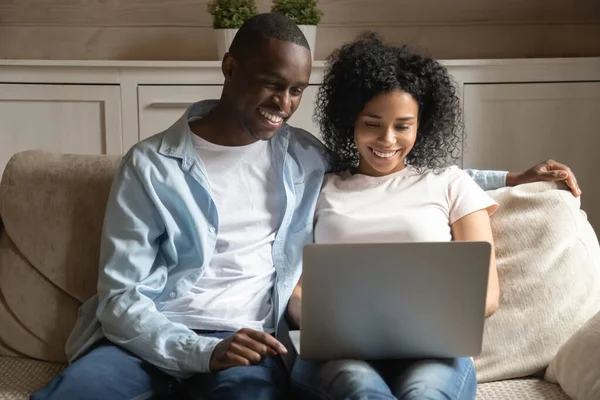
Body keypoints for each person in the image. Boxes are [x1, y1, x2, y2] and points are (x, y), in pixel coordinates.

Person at [31, 14, 580, 400]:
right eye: (273, 85)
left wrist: (513, 178)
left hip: (251, 341)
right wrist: (196, 353)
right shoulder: (150, 166)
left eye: (296, 91)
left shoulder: (301, 157)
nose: (284, 106)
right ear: (230, 67)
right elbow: (121, 298)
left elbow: (406, 173)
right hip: (145, 339)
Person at [287, 32, 580, 400]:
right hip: (340, 354)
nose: (387, 139)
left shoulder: (450, 184)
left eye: (402, 126)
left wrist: (515, 178)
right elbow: (293, 286)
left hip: (433, 354)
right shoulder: (319, 189)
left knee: (426, 394)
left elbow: (485, 294)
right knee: (360, 389)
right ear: (351, 121)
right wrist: (319, 319)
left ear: (421, 125)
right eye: (372, 123)